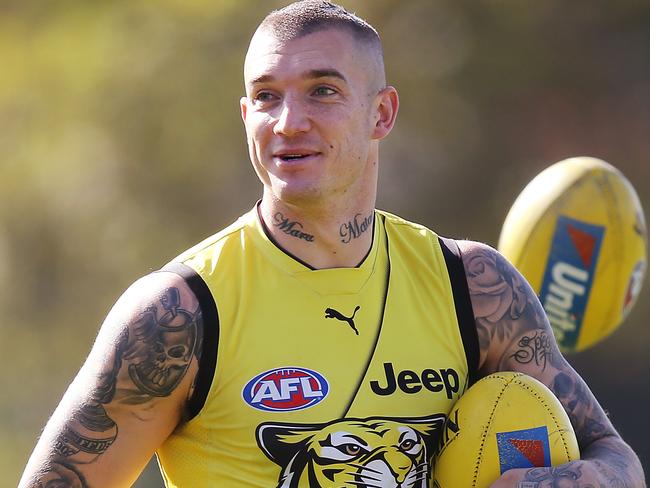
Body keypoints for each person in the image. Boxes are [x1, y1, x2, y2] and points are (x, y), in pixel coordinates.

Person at [19, 2, 645, 487]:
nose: (289, 121)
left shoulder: (473, 289)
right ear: (246, 118)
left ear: (382, 114)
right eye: (267, 96)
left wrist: (571, 479)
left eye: (322, 90)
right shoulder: (178, 315)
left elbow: (615, 458)